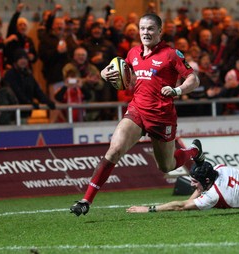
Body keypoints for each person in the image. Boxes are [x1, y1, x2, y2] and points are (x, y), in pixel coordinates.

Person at [70, 13, 201, 216]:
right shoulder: (132, 53)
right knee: (114, 150)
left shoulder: (171, 54)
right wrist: (105, 73)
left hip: (161, 116)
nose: (145, 32)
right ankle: (86, 200)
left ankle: (192, 151)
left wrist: (177, 91)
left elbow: (193, 79)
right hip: (137, 111)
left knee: (165, 166)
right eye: (142, 28)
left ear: (160, 31)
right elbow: (118, 74)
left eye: (150, 28)